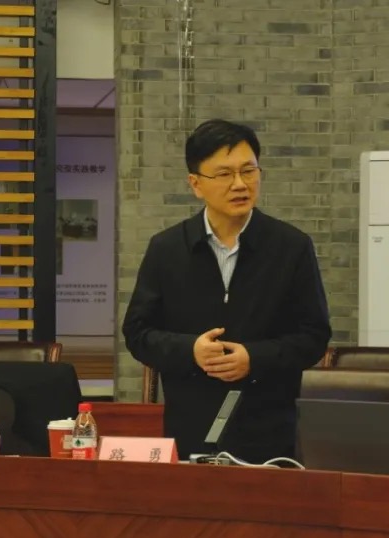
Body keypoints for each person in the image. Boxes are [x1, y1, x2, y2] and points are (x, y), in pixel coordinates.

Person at [122, 119, 331, 462]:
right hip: (190, 428)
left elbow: (314, 336)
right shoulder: (167, 249)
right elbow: (138, 333)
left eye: (249, 171)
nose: (240, 184)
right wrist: (191, 350)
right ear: (196, 184)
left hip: (269, 433)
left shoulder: (291, 247)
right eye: (224, 174)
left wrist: (254, 358)